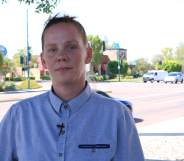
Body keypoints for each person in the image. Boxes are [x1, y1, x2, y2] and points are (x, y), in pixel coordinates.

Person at [0, 14, 144, 161]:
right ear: (43, 60)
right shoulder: (18, 117)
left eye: (71, 47)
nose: (61, 56)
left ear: (88, 55)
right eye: (52, 49)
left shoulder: (117, 116)